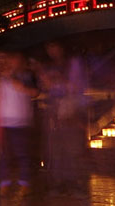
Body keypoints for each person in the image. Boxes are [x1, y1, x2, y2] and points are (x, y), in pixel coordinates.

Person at [36, 41, 88, 195]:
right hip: (54, 111)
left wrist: (58, 81)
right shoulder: (47, 66)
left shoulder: (73, 64)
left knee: (71, 147)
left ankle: (74, 181)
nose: (52, 50)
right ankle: (58, 182)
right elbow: (45, 87)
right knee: (55, 148)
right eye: (49, 47)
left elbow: (77, 87)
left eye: (54, 46)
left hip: (71, 111)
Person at [0, 50, 38, 199]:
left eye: (4, 57)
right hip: (1, 123)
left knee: (22, 154)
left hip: (19, 122)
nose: (1, 61)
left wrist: (22, 87)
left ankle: (24, 184)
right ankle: (4, 184)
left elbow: (35, 92)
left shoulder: (22, 75)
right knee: (2, 155)